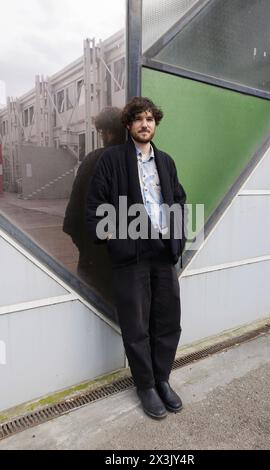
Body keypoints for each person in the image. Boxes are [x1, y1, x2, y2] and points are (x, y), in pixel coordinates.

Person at [86, 97, 187, 420]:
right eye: (139, 119)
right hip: (131, 255)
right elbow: (95, 204)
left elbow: (180, 200)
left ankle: (162, 379)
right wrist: (114, 238)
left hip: (163, 251)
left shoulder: (167, 162)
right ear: (128, 125)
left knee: (168, 320)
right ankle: (145, 385)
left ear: (155, 124)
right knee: (136, 323)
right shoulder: (112, 160)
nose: (145, 124)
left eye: (150, 119)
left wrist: (178, 239)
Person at [63, 107, 125, 304]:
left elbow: (73, 217)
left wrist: (88, 249)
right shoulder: (138, 160)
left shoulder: (92, 161)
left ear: (107, 132)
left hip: (93, 265)